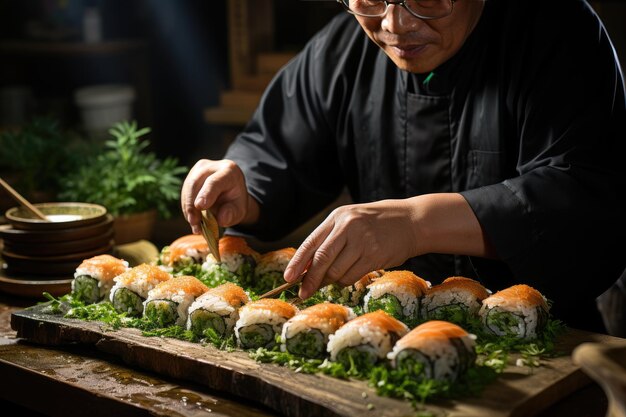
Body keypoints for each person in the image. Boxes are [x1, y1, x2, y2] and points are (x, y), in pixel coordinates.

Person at [182, 0, 626, 333]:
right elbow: (278, 150)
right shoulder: (341, 49)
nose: (395, 24)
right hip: (378, 332)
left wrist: (417, 224)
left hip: (544, 338)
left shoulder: (558, 31)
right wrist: (243, 184)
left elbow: (582, 197)